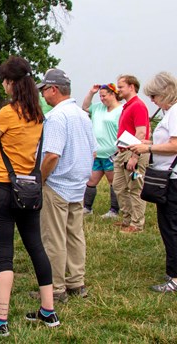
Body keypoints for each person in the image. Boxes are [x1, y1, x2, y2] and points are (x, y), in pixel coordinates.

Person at [0, 56, 58, 336]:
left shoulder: (7, 113)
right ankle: (48, 311)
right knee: (36, 247)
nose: (3, 84)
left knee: (4, 256)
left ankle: (0, 320)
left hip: (3, 187)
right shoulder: (38, 114)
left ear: (11, 83)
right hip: (30, 189)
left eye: (4, 80)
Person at [37, 69, 96, 302]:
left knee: (54, 237)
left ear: (53, 89)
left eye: (44, 89)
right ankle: (77, 282)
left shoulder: (56, 117)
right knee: (75, 234)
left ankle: (56, 287)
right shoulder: (83, 115)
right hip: (77, 184)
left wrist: (40, 180)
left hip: (58, 184)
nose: (42, 94)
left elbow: (52, 155)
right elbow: (92, 150)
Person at [128, 71, 177, 292]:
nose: (153, 101)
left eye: (155, 96)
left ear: (165, 93)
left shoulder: (175, 112)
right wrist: (148, 143)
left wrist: (147, 147)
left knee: (171, 227)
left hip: (172, 179)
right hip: (169, 175)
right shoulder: (170, 113)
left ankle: (175, 279)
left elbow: (175, 145)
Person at [113, 75, 150, 233]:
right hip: (123, 151)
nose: (118, 90)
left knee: (135, 188)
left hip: (134, 151)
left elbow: (141, 132)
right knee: (119, 186)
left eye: (121, 87)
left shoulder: (138, 106)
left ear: (131, 87)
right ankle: (127, 218)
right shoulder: (127, 106)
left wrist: (135, 157)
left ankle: (136, 224)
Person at [82, 83, 123, 218]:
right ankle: (87, 207)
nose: (102, 99)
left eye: (104, 95)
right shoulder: (98, 108)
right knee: (91, 180)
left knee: (113, 181)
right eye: (100, 96)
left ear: (113, 94)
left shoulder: (121, 110)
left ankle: (114, 210)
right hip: (97, 152)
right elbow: (85, 107)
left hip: (112, 152)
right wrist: (91, 92)